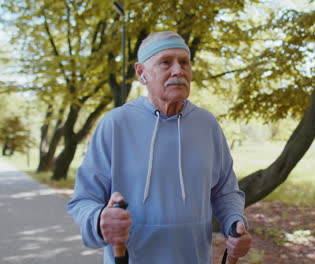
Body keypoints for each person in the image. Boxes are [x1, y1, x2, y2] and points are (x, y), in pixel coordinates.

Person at [67, 31, 252, 263]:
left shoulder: (207, 124)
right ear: (141, 73)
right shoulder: (115, 124)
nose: (178, 70)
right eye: (166, 62)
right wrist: (98, 220)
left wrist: (235, 222)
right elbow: (83, 200)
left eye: (184, 62)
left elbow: (226, 192)